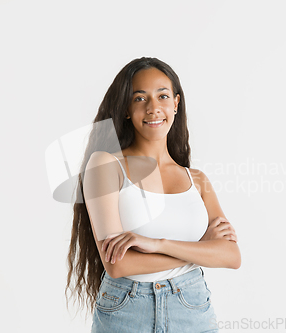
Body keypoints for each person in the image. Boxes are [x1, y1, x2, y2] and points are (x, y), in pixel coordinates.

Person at [65, 57, 241, 332]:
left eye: (163, 96)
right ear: (126, 109)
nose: (153, 108)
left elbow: (231, 256)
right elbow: (118, 265)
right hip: (127, 309)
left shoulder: (197, 180)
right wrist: (201, 249)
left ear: (176, 104)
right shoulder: (105, 165)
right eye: (139, 98)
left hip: (191, 307)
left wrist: (158, 243)